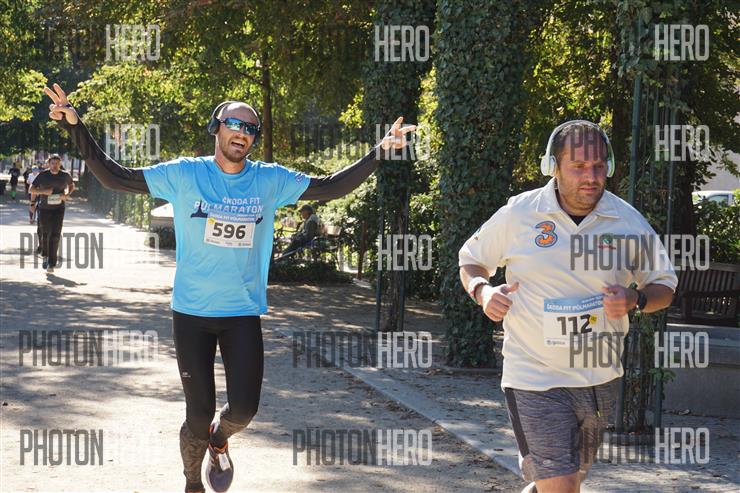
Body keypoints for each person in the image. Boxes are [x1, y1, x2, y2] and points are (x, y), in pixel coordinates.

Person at [45, 83, 415, 493]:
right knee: (198, 413)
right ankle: (192, 482)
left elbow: (330, 187)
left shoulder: (269, 180)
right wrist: (76, 126)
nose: (242, 133)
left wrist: (380, 151)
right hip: (192, 313)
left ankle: (220, 439)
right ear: (217, 128)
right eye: (235, 124)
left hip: (241, 312)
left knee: (244, 409)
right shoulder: (186, 174)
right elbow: (115, 177)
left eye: (251, 128)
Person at [458, 120, 677, 493]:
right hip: (533, 377)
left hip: (599, 379)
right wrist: (484, 291)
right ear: (553, 167)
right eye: (578, 166)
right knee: (561, 486)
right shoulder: (520, 214)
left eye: (598, 166)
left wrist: (636, 299)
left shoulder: (627, 221)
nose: (591, 177)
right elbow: (471, 261)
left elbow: (665, 286)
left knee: (570, 480)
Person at [29, 154, 74, 273]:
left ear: (60, 164)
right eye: (52, 163)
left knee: (55, 234)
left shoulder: (65, 175)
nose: (55, 166)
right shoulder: (43, 175)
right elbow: (31, 189)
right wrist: (43, 192)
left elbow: (72, 185)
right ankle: (45, 255)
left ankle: (52, 263)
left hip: (59, 209)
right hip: (44, 209)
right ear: (49, 163)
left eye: (57, 163)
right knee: (45, 233)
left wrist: (67, 195)